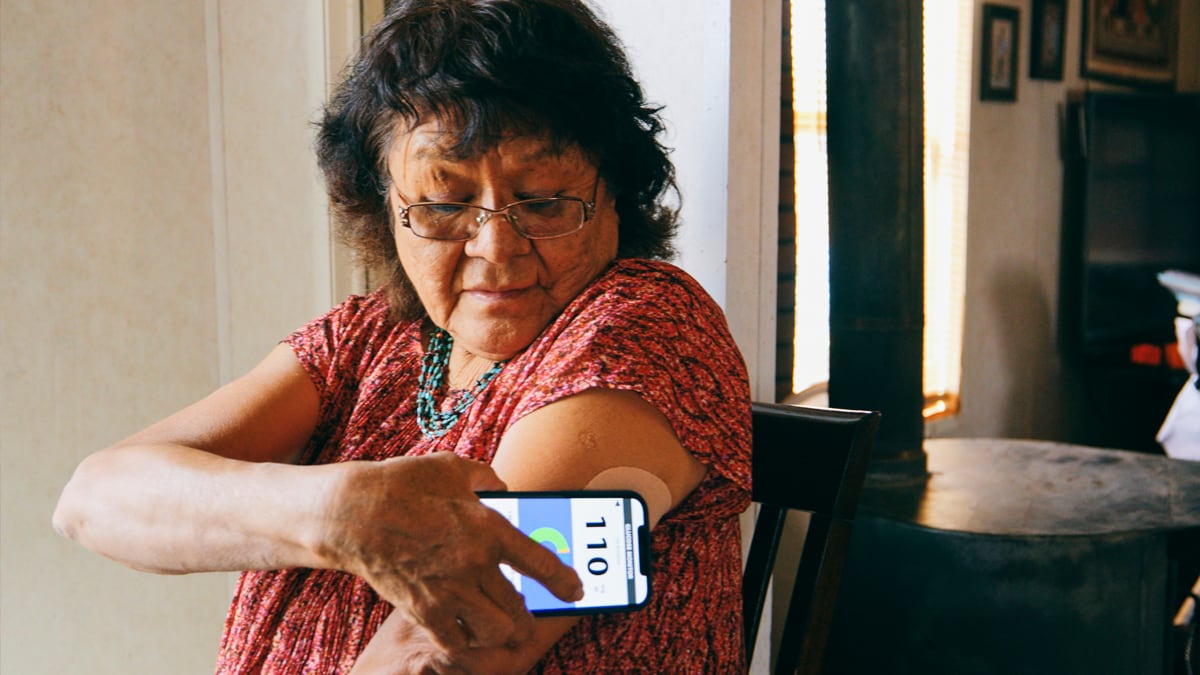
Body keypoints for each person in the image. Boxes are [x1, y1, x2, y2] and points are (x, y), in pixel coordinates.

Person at [53, 0, 752, 672]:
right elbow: (93, 500)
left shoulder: (641, 331)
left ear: (615, 193)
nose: (496, 247)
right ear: (380, 207)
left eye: (543, 201)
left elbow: (443, 652)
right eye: (445, 205)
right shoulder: (369, 340)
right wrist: (341, 513)